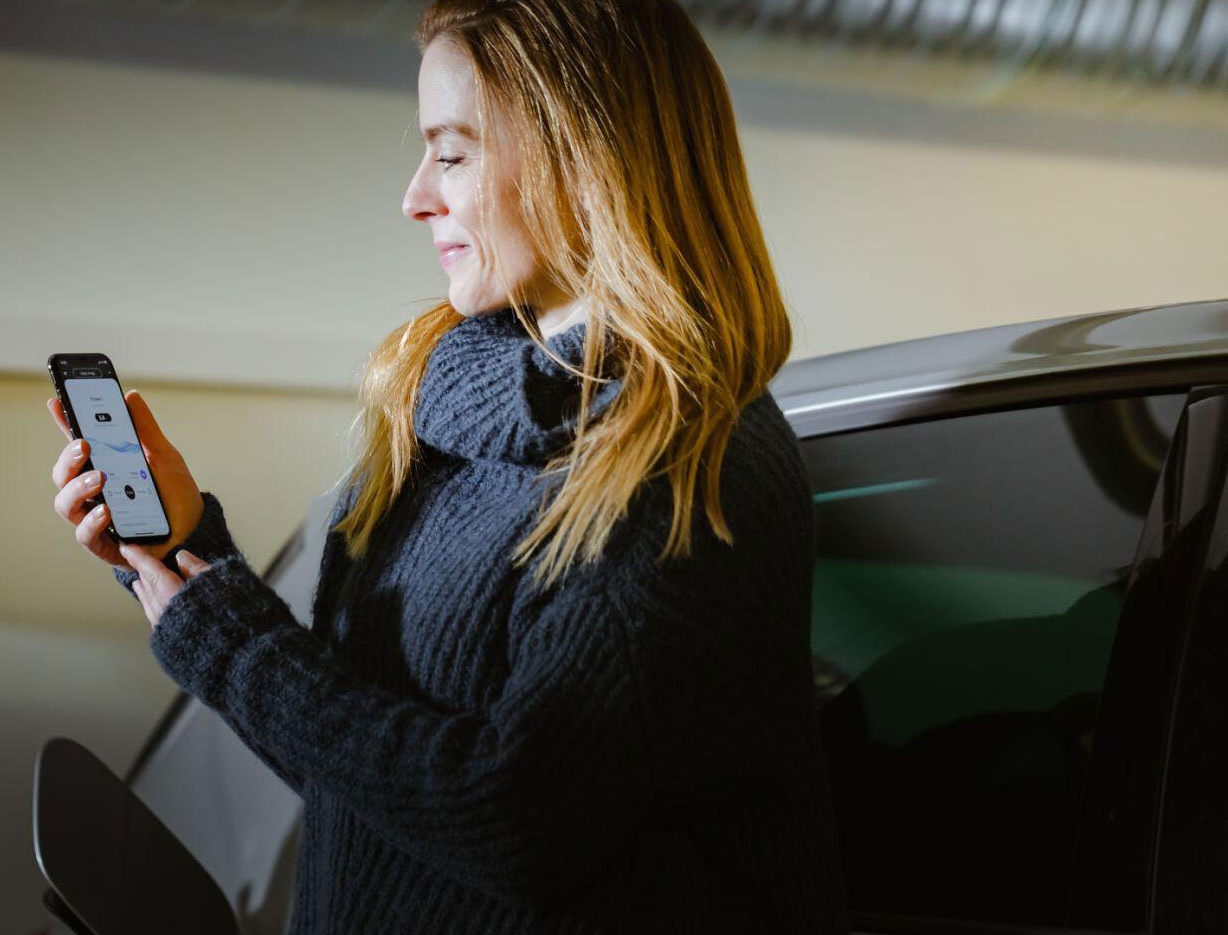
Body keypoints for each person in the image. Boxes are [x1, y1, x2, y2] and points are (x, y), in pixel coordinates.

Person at [47, 0, 849, 930]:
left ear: (581, 158)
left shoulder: (683, 458)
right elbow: (364, 774)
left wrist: (227, 642)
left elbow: (515, 819)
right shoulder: (448, 414)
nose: (415, 193)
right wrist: (192, 555)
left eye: (453, 151)